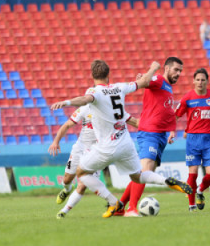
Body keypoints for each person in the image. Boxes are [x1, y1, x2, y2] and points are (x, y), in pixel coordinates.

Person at [50, 60, 192, 218]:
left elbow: (85, 100)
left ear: (92, 75)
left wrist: (66, 102)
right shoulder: (120, 87)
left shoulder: (95, 91)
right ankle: (167, 181)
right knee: (137, 176)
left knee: (81, 172)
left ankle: (113, 202)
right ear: (108, 75)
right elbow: (144, 81)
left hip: (108, 146)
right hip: (126, 143)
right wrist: (153, 67)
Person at [117, 56, 184, 217]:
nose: (178, 73)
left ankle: (119, 207)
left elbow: (166, 111)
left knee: (143, 175)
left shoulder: (167, 86)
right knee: (145, 170)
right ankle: (131, 209)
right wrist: (153, 68)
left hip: (160, 136)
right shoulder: (159, 79)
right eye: (176, 69)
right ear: (166, 68)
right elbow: (142, 83)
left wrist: (172, 130)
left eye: (180, 71)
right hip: (150, 132)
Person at [49, 104, 138, 219]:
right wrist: (56, 141)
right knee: (67, 178)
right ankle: (67, 190)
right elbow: (67, 125)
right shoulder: (85, 109)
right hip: (80, 147)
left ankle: (64, 211)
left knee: (82, 185)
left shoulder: (110, 111)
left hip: (96, 152)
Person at [175, 68, 210, 211]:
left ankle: (200, 191)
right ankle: (191, 205)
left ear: (207, 81)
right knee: (193, 173)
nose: (200, 82)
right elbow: (176, 116)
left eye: (203, 80)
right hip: (193, 139)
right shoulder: (187, 98)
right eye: (198, 79)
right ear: (193, 81)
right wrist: (171, 132)